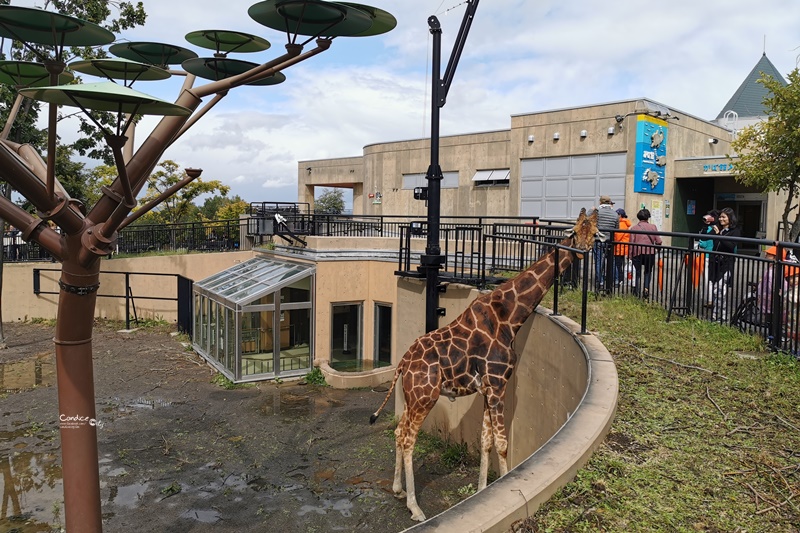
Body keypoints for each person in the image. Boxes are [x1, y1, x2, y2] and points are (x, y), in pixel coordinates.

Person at [708, 207, 741, 322]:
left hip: (726, 263)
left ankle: (722, 315)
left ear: (730, 218)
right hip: (716, 263)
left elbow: (731, 246)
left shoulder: (734, 231)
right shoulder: (718, 229)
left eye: (723, 217)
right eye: (720, 217)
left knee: (721, 289)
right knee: (716, 289)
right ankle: (715, 314)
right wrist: (709, 225)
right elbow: (705, 236)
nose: (721, 219)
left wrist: (719, 236)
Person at [629, 209, 662, 299]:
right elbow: (658, 241)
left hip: (637, 252)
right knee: (648, 272)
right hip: (649, 253)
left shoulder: (633, 228)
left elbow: (631, 243)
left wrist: (630, 255)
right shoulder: (653, 227)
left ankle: (636, 290)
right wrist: (658, 249)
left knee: (637, 272)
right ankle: (646, 289)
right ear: (648, 217)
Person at [591, 195, 619, 291]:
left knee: (598, 261)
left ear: (600, 202)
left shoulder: (597, 212)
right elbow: (616, 229)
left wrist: (592, 210)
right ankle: (615, 280)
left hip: (598, 240)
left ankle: (601, 281)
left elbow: (586, 217)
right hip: (609, 241)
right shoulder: (615, 214)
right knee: (612, 260)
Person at [757, 246, 787, 328]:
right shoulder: (778, 269)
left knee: (772, 322)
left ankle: (772, 338)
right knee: (776, 322)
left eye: (768, 254)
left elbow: (769, 286)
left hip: (769, 301)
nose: (766, 256)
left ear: (775, 257)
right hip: (772, 301)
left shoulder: (772, 271)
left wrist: (760, 294)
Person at [698, 210, 718, 305]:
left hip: (707, 256)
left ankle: (709, 299)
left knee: (707, 279)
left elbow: (703, 243)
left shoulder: (709, 229)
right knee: (714, 279)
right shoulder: (717, 228)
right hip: (715, 256)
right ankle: (713, 299)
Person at [613, 208, 632, 287]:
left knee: (618, 264)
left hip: (619, 247)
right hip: (623, 247)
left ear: (620, 215)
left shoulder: (621, 224)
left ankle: (619, 279)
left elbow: (617, 237)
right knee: (620, 263)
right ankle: (620, 278)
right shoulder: (625, 223)